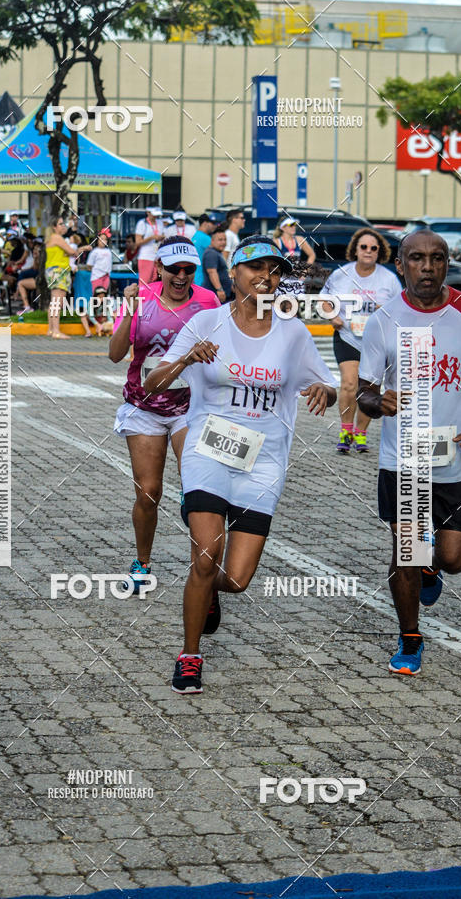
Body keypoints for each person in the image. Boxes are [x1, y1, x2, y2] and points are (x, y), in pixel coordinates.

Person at [144, 235, 337, 695]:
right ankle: (190, 656)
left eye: (273, 270)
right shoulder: (206, 322)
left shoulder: (292, 333)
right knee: (206, 556)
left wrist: (324, 393)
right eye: (254, 268)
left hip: (264, 460)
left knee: (235, 579)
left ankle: (209, 592)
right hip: (208, 451)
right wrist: (187, 357)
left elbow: (327, 384)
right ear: (234, 273)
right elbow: (154, 382)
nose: (264, 277)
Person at [357, 230, 461, 677]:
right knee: (408, 552)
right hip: (403, 458)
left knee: (453, 559)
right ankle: (410, 638)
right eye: (417, 259)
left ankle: (431, 570)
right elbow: (363, 391)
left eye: (437, 259)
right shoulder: (383, 320)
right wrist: (374, 402)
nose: (427, 267)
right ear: (400, 265)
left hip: (457, 460)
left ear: (446, 264)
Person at [109, 236, 220, 594]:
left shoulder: (207, 301)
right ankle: (142, 564)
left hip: (191, 406)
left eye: (189, 270)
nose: (182, 276)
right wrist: (129, 310)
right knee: (149, 492)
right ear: (159, 269)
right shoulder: (141, 299)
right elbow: (114, 354)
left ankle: (203, 572)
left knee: (196, 489)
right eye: (174, 269)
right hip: (144, 406)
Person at [320, 227, 402, 453]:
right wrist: (332, 316)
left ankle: (361, 434)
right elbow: (323, 300)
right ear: (355, 249)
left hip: (376, 342)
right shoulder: (341, 274)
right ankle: (346, 431)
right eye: (364, 247)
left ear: (379, 252)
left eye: (373, 248)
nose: (368, 251)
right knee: (348, 383)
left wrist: (384, 310)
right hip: (347, 336)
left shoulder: (389, 279)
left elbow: (401, 309)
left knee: (369, 389)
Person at [45, 216, 90, 338]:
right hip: (58, 271)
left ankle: (51, 329)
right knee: (57, 301)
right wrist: (82, 248)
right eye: (60, 224)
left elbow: (68, 252)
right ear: (54, 227)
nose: (63, 226)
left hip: (54, 270)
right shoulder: (57, 238)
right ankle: (56, 331)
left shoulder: (53, 239)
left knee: (54, 300)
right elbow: (72, 252)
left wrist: (81, 248)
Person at [134, 206, 165, 285]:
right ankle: (143, 297)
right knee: (144, 283)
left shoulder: (160, 222)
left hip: (157, 257)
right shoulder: (142, 223)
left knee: (156, 282)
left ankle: (153, 297)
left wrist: (161, 238)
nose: (156, 216)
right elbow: (138, 242)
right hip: (146, 256)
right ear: (148, 212)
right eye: (154, 214)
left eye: (157, 215)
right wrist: (151, 237)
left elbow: (162, 235)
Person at [202, 226, 233, 302]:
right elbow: (212, 272)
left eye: (225, 240)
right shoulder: (211, 253)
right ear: (212, 241)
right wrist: (219, 290)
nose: (223, 242)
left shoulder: (217, 252)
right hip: (216, 296)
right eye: (220, 240)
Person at [87, 228, 113, 294]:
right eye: (101, 239)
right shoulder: (94, 251)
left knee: (104, 294)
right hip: (97, 276)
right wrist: (97, 271)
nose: (103, 241)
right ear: (97, 240)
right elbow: (89, 265)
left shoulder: (109, 251)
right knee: (97, 294)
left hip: (106, 276)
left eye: (105, 239)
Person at [192, 214, 216, 286]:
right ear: (205, 223)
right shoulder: (206, 239)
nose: (215, 226)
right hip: (203, 280)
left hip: (195, 277)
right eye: (212, 223)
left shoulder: (195, 236)